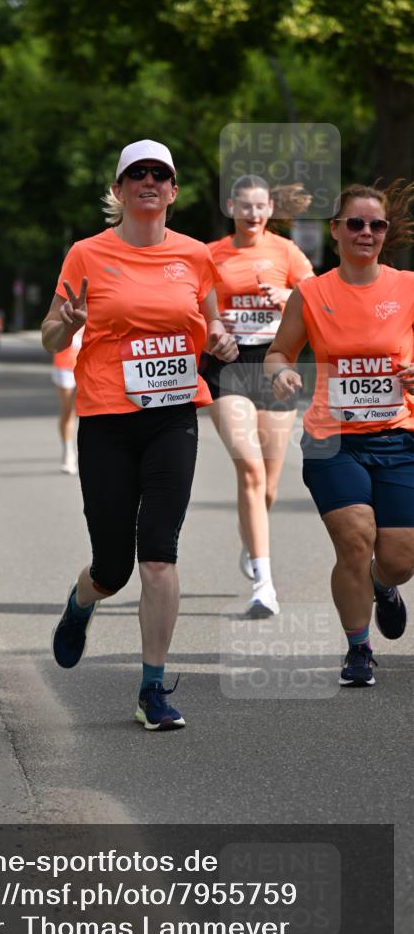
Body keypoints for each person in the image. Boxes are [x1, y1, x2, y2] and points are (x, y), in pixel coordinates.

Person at [41, 139, 238, 731]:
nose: (149, 181)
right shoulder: (86, 254)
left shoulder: (197, 257)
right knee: (113, 567)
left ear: (173, 191)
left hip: (172, 417)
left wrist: (222, 343)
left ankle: (153, 689)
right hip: (105, 418)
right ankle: (81, 603)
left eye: (161, 174)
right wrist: (66, 326)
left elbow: (212, 326)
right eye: (138, 174)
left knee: (158, 556)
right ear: (119, 189)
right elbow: (52, 333)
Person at [265, 180, 414, 687]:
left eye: (376, 225)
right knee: (354, 540)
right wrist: (281, 373)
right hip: (333, 438)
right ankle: (357, 649)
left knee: (399, 557)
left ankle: (382, 584)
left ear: (386, 233)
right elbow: (279, 352)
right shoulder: (312, 293)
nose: (366, 232)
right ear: (336, 232)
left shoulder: (409, 288)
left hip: (398, 436)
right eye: (355, 223)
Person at [201, 176, 314, 617]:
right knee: (248, 469)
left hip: (274, 366)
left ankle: (251, 539)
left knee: (267, 485)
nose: (252, 214)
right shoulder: (211, 255)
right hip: (228, 367)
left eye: (260, 207)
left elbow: (320, 299)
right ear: (231, 206)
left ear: (270, 208)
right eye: (244, 206)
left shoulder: (286, 252)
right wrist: (213, 333)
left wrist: (287, 296)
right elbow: (192, 307)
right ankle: (264, 585)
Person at [52, 326, 84, 474]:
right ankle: (68, 451)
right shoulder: (64, 307)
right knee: (68, 411)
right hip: (65, 366)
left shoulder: (98, 307)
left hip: (87, 365)